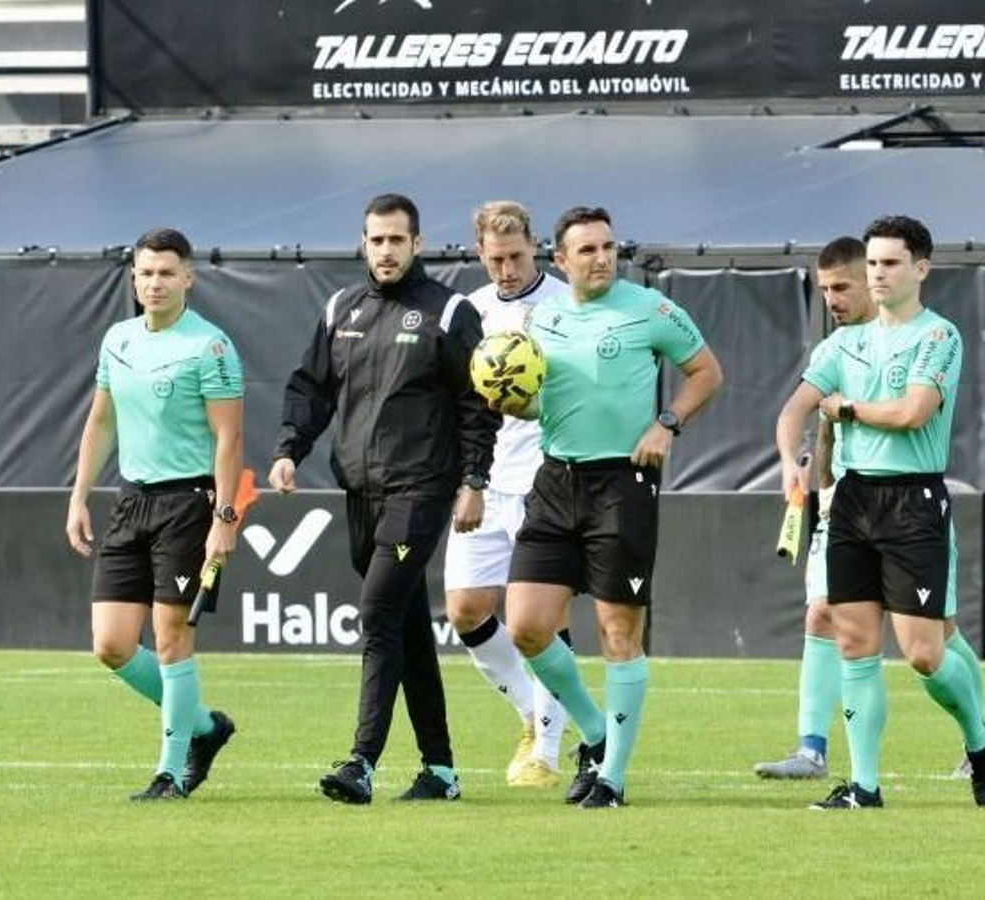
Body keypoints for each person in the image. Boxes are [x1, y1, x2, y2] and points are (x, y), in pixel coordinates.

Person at [270, 193, 500, 804]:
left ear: (417, 244)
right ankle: (442, 771)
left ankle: (361, 764)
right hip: (361, 492)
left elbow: (477, 405)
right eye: (377, 240)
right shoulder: (341, 307)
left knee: (376, 614)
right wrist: (290, 448)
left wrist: (474, 481)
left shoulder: (448, 312)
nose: (387, 250)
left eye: (398, 240)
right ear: (363, 243)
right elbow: (311, 387)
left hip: (421, 489)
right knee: (406, 627)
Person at [777, 215, 985, 810]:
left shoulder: (939, 336)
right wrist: (787, 460)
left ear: (920, 269)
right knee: (853, 644)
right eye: (872, 263)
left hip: (913, 501)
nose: (878, 274)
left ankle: (980, 743)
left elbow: (914, 413)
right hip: (852, 501)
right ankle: (865, 787)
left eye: (890, 263)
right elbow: (796, 408)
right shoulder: (843, 343)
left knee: (925, 652)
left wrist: (847, 408)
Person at [504, 206, 724, 809]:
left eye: (608, 246)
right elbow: (533, 401)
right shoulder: (540, 317)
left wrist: (667, 424)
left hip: (623, 482)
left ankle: (613, 779)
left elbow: (706, 372)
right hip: (554, 480)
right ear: (560, 260)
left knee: (618, 631)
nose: (602, 257)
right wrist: (511, 396)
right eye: (588, 249)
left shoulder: (650, 308)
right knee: (525, 626)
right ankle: (597, 734)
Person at [66, 227, 243, 800]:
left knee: (171, 641)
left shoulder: (210, 346)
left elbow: (229, 439)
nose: (155, 282)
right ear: (133, 278)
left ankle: (169, 774)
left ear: (188, 277)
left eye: (167, 272)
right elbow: (100, 421)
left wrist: (224, 519)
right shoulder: (118, 339)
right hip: (131, 501)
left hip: (190, 505)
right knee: (111, 644)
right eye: (145, 272)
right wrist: (78, 495)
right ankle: (205, 727)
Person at [443, 201, 573, 789]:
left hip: (548, 480)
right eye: (496, 259)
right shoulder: (469, 310)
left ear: (536, 247)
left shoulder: (565, 303)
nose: (507, 270)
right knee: (466, 609)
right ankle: (531, 711)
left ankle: (545, 748)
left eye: (517, 256)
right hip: (484, 482)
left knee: (540, 619)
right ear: (479, 254)